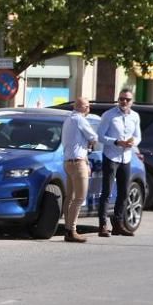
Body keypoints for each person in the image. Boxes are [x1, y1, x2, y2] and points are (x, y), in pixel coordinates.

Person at [96, 88, 142, 237]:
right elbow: (100, 136)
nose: (124, 102)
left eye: (127, 99)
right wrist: (116, 142)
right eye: (121, 99)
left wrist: (132, 142)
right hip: (111, 156)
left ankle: (118, 224)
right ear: (118, 99)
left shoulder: (135, 116)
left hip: (126, 157)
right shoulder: (109, 115)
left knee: (123, 192)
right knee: (107, 192)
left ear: (132, 101)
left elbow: (138, 136)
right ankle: (103, 225)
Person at [61, 97, 99, 243]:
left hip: (68, 162)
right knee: (79, 198)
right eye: (87, 106)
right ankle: (72, 231)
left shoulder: (67, 120)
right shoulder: (80, 120)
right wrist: (91, 142)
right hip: (78, 163)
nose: (89, 109)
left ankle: (67, 228)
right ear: (82, 107)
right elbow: (93, 136)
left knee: (69, 197)